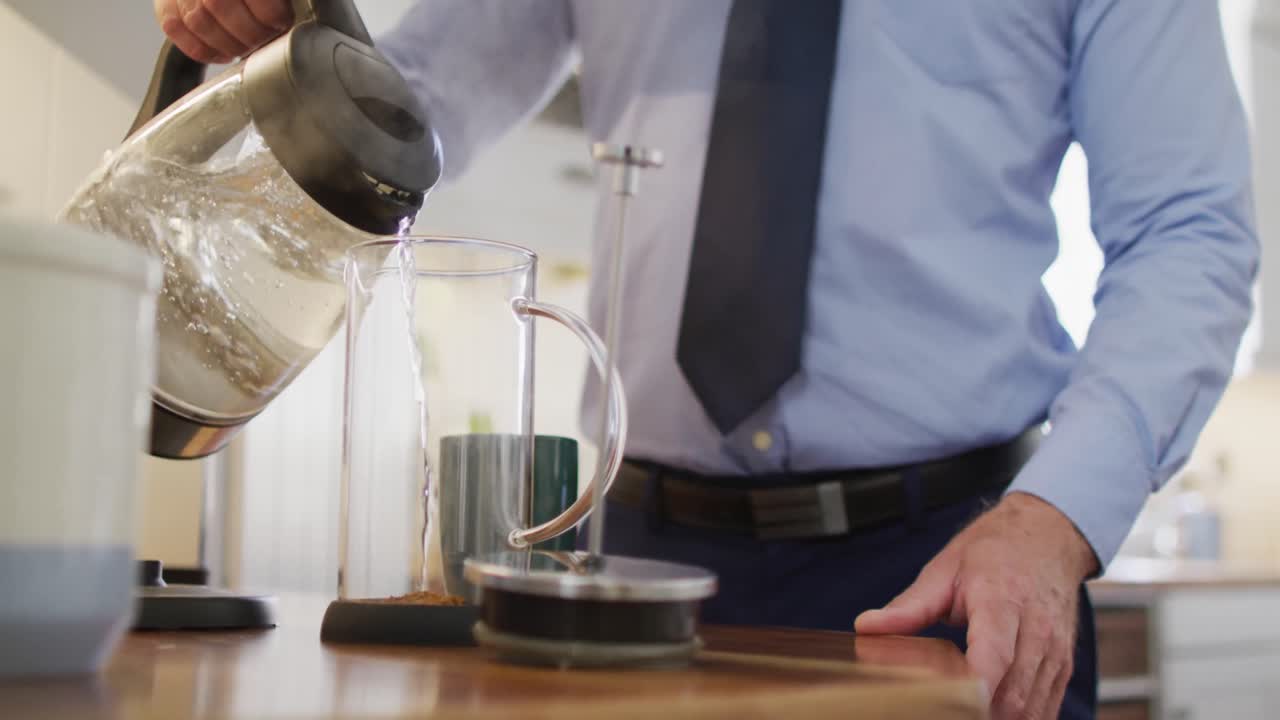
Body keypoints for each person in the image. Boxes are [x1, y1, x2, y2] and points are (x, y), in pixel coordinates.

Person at [153, 1, 1259, 718]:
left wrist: (1055, 519)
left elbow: (1190, 231)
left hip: (949, 575)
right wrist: (279, 34)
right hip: (639, 569)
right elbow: (402, 106)